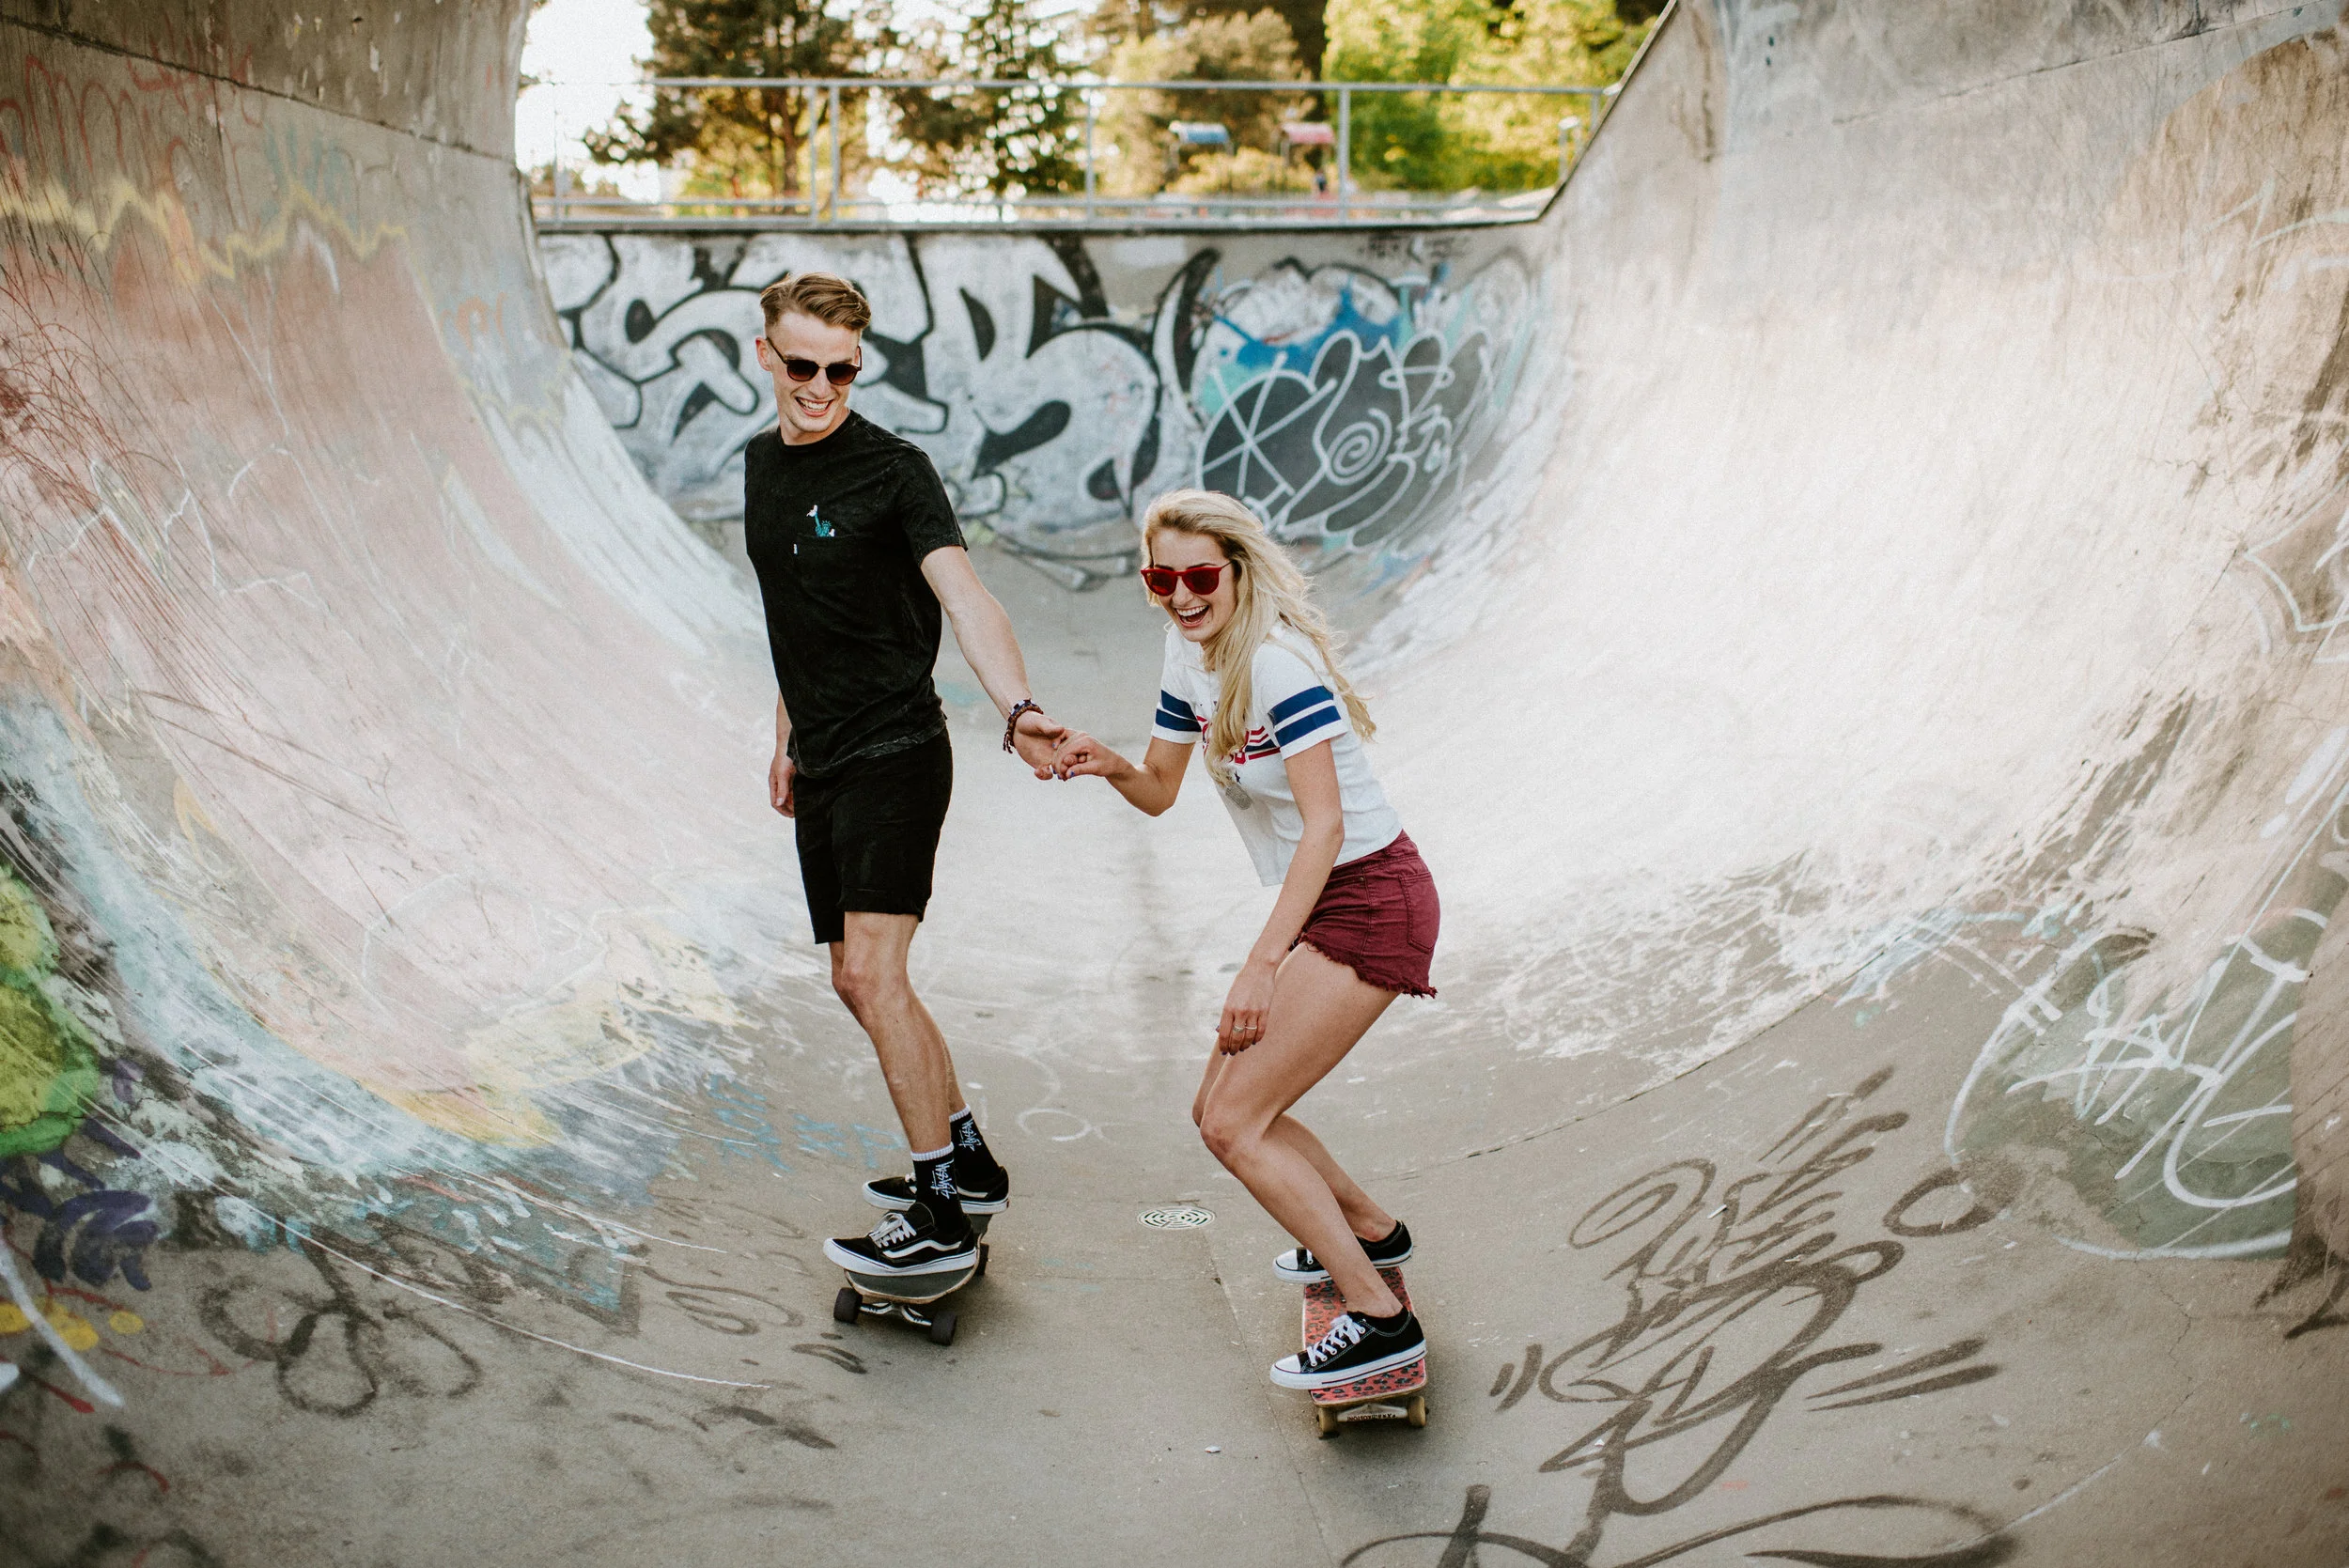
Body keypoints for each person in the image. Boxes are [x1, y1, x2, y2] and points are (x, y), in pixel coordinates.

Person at [1050, 489, 1438, 1390]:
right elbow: (1157, 786)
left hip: (1374, 898)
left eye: (1198, 576)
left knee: (1233, 1121)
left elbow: (1326, 826)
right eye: (1161, 579)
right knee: (1216, 1113)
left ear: (1235, 569)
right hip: (1330, 902)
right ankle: (1372, 1234)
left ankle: (1381, 1318)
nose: (1181, 595)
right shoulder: (1190, 654)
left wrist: (1261, 965)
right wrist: (1103, 757)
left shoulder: (1274, 666)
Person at [743, 272, 1064, 1281]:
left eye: (841, 370)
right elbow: (793, 612)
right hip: (826, 753)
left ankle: (937, 1206)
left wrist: (1016, 708)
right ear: (767, 356)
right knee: (851, 977)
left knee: (877, 974)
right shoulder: (760, 464)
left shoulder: (894, 471)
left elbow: (966, 597)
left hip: (897, 753)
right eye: (803, 366)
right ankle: (964, 1149)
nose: (821, 387)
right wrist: (787, 732)